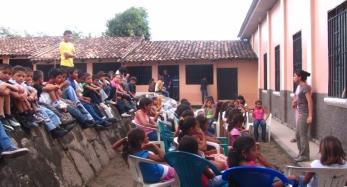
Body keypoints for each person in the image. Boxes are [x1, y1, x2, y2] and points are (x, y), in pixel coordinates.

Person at [227, 136, 298, 187]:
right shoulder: (257, 169)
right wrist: (288, 178)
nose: (257, 152)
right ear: (244, 153)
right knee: (298, 179)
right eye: (254, 150)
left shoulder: (231, 166)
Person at [293, 69, 313, 162]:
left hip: (305, 113)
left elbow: (310, 101)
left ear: (300, 77)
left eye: (295, 76)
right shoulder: (300, 87)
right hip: (300, 112)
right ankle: (301, 153)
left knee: (302, 134)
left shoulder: (305, 87)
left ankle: (305, 155)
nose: (293, 78)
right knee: (297, 135)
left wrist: (310, 116)